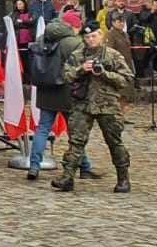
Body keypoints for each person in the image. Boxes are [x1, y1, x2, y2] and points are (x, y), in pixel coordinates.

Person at [52, 21, 134, 193]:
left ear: (101, 35)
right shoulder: (77, 55)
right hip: (82, 104)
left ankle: (123, 179)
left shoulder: (113, 55)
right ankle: (67, 177)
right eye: (87, 37)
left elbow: (126, 79)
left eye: (94, 35)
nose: (91, 39)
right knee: (76, 142)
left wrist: (104, 73)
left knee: (114, 142)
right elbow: (66, 76)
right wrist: (81, 70)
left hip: (107, 105)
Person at [24, 18, 95, 181]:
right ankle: (84, 167)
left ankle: (34, 166)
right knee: (74, 131)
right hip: (66, 90)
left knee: (42, 129)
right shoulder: (73, 42)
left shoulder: (40, 40)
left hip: (45, 90)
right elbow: (82, 64)